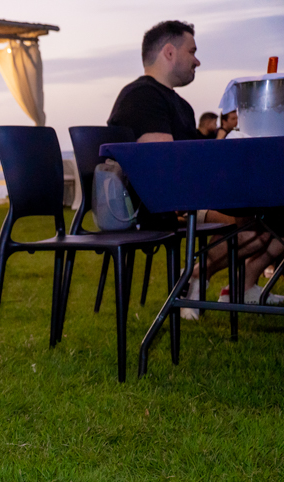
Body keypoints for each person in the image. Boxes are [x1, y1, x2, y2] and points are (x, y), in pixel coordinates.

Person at [108, 20, 279, 315]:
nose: (197, 60)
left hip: (182, 195)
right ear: (170, 52)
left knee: (270, 214)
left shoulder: (181, 106)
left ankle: (217, 279)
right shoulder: (142, 96)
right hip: (154, 203)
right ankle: (195, 276)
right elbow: (162, 168)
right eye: (193, 51)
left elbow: (194, 162)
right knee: (256, 223)